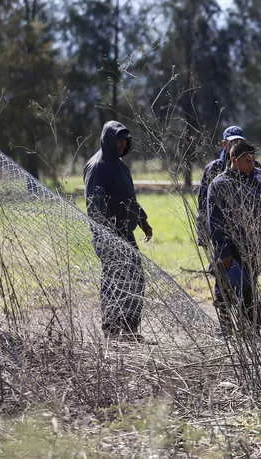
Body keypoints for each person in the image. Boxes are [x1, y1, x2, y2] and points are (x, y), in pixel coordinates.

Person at [206, 139, 261, 334]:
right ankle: (233, 328)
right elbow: (216, 222)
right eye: (247, 160)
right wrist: (224, 252)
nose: (252, 164)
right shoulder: (219, 185)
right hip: (235, 246)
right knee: (235, 287)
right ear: (234, 160)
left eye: (253, 159)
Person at [84, 120, 153, 341]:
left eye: (125, 141)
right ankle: (113, 331)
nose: (122, 145)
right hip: (107, 234)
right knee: (114, 281)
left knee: (135, 279)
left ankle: (130, 330)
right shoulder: (97, 166)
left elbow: (129, 199)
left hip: (126, 232)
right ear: (108, 140)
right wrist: (106, 233)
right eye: (118, 140)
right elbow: (94, 206)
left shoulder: (121, 167)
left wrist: (142, 220)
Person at [196, 125, 245, 247]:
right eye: (232, 142)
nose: (236, 146)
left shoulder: (252, 165)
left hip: (246, 229)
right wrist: (203, 232)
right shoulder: (213, 168)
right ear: (224, 144)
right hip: (220, 228)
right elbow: (203, 202)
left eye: (239, 142)